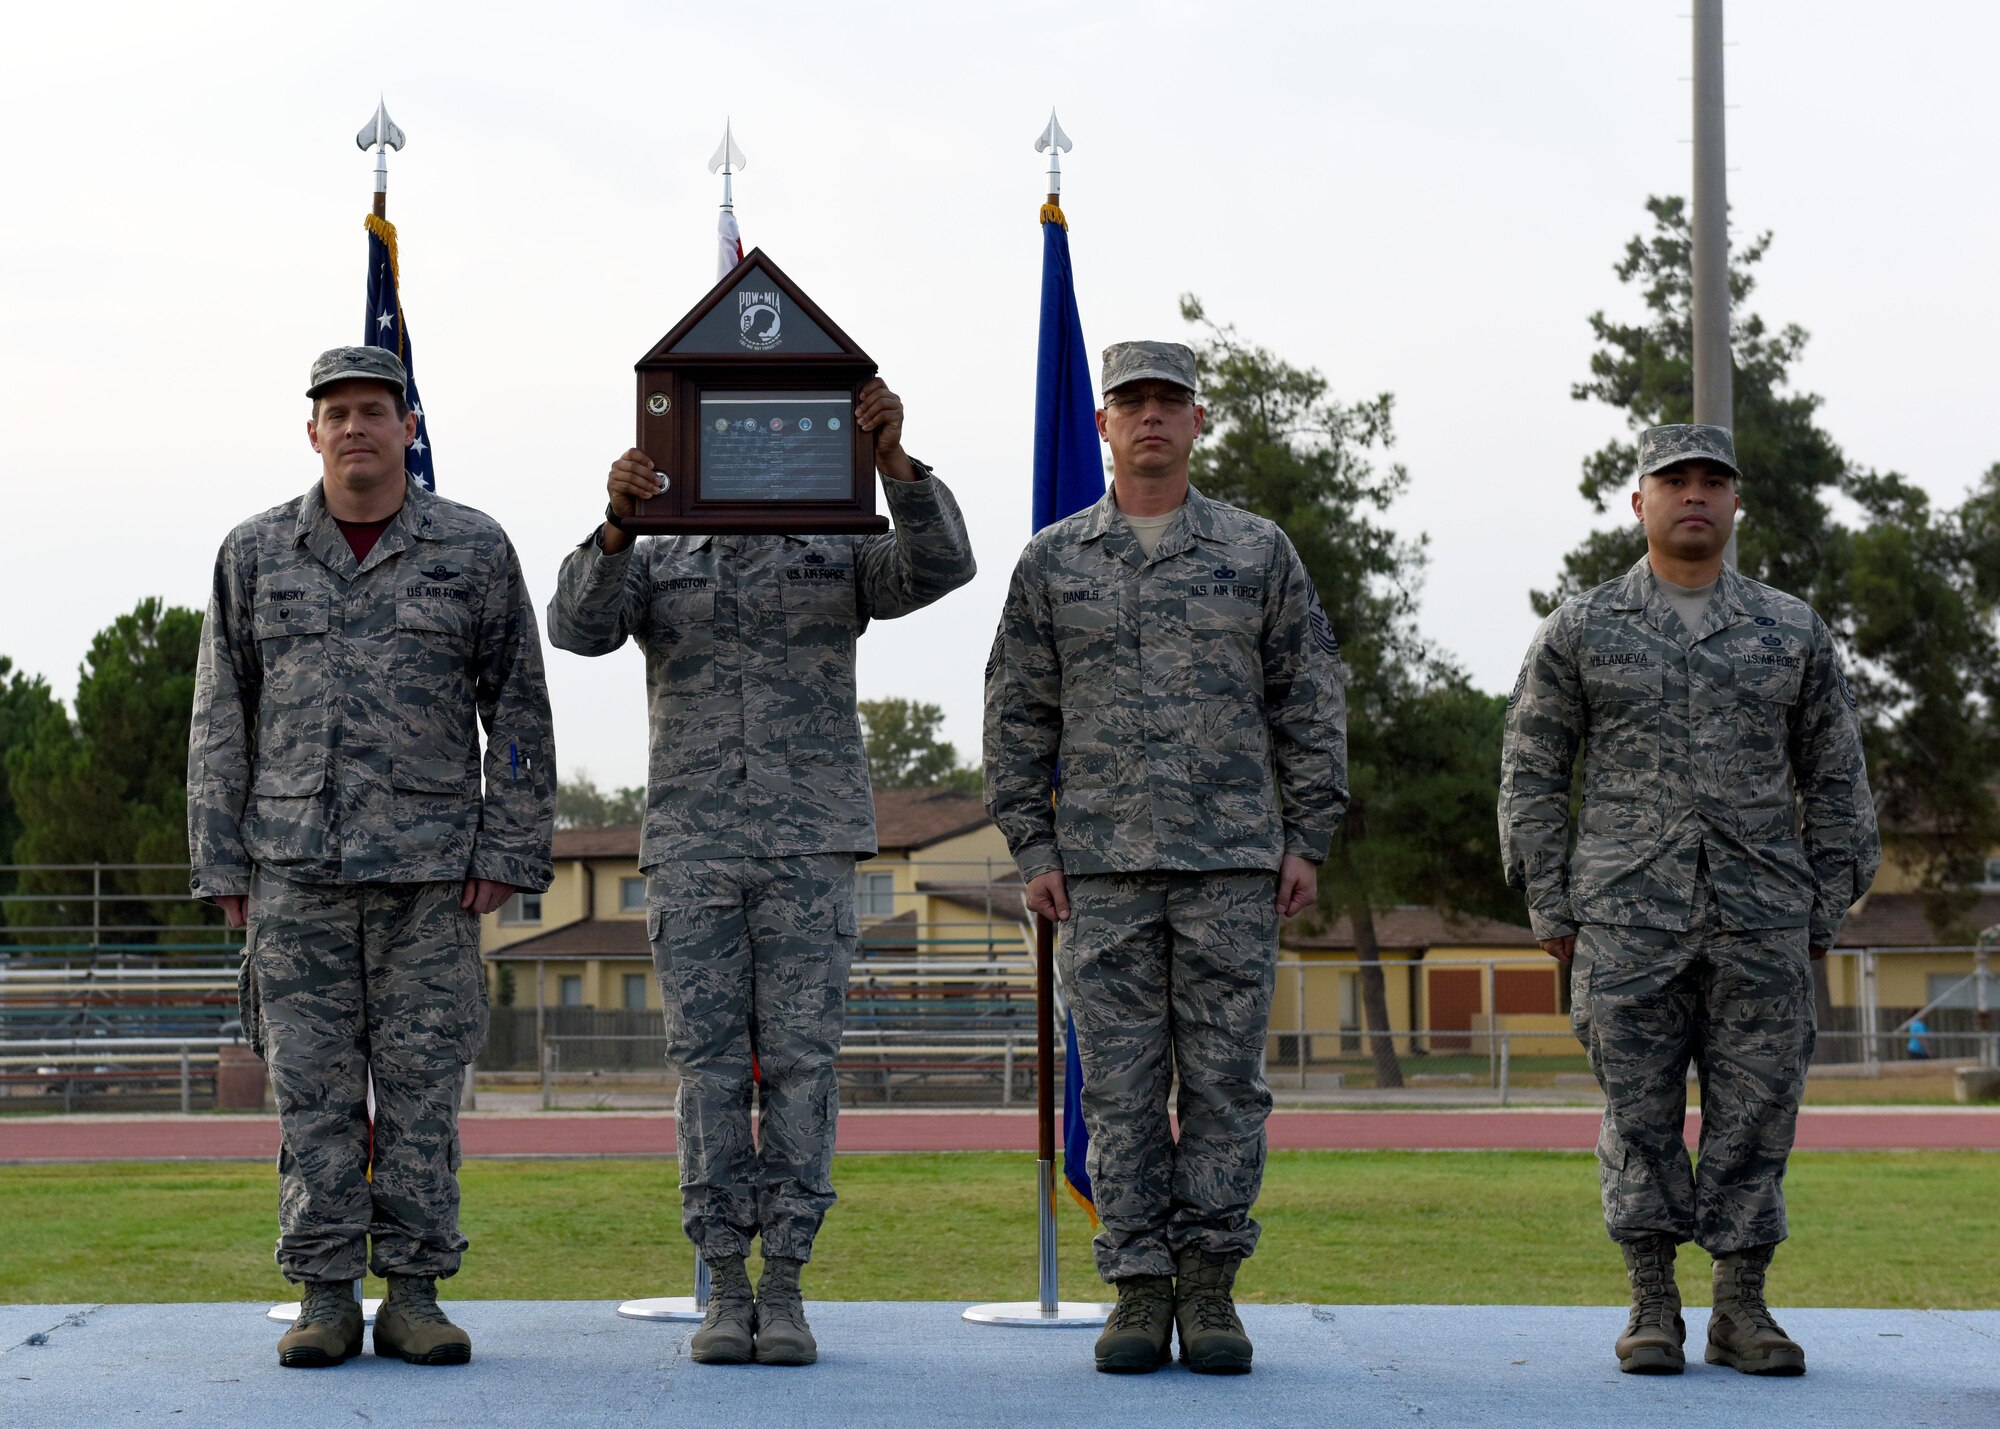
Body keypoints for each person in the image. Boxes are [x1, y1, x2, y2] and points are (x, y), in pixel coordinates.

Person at [546, 378, 973, 1367]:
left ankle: (783, 1285)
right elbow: (577, 625)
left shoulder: (835, 536)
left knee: (801, 1067)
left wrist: (893, 465)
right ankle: (722, 1285)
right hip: (694, 846)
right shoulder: (653, 545)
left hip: (807, 843)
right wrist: (614, 523)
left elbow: (941, 565)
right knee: (704, 1071)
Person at [983, 341, 1348, 1376]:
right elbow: (1016, 713)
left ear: (1197, 422)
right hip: (1098, 869)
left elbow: (1307, 697)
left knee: (1226, 1084)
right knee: (1122, 1089)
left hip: (1232, 862)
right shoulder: (1053, 561)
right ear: (1101, 424)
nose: (1150, 417)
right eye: (1130, 402)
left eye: (1168, 402)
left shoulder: (1254, 551)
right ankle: (1138, 1287)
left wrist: (1306, 835)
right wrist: (1031, 843)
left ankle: (1211, 1287)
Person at [188, 346, 556, 1368]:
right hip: (294, 871)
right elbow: (223, 712)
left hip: (432, 878)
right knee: (311, 1094)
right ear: (311, 431)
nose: (355, 427)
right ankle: (324, 1295)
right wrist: (221, 864)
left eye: (374, 410)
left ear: (407, 426)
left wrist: (510, 847)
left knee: (421, 1095)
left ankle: (415, 1294)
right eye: (336, 412)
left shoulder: (473, 551)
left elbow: (516, 710)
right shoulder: (255, 552)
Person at [1499, 423, 1880, 1378]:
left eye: (1714, 480)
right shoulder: (1582, 628)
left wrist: (1820, 909)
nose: (1695, 495)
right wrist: (1552, 906)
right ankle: (1653, 1302)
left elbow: (1836, 778)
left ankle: (1741, 1307)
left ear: (1737, 502)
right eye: (1675, 481)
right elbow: (1532, 773)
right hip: (1628, 918)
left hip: (1762, 917)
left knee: (1758, 1114)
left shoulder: (1790, 630)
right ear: (1640, 502)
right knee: (1639, 1115)